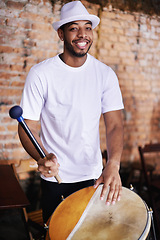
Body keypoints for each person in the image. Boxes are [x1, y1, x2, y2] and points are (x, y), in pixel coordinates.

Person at [18, 0, 124, 223]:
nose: (82, 34)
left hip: (95, 178)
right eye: (74, 28)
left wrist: (113, 164)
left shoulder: (105, 74)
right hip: (56, 179)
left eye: (87, 27)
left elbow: (114, 124)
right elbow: (27, 126)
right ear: (61, 34)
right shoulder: (41, 74)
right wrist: (41, 157)